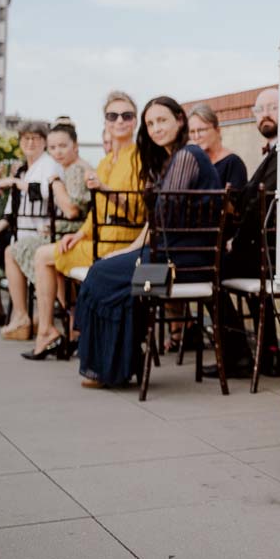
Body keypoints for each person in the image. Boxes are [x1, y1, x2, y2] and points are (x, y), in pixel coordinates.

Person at [70, 96, 221, 388]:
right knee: (104, 267)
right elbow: (157, 221)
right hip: (169, 253)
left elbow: (162, 216)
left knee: (101, 274)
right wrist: (130, 250)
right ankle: (117, 363)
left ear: (180, 120)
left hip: (184, 261)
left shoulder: (188, 155)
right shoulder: (174, 159)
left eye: (162, 120)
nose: (155, 128)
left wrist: (137, 248)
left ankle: (112, 367)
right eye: (150, 123)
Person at [22, 91, 142, 358]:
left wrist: (105, 188)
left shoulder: (139, 158)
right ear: (106, 122)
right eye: (113, 116)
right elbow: (95, 211)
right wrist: (78, 235)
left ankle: (49, 331)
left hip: (119, 241)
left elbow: (139, 210)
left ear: (135, 121)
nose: (119, 121)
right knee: (50, 253)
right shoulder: (106, 160)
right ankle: (69, 328)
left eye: (126, 115)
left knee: (42, 255)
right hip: (98, 237)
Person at [0, 120, 60, 327]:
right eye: (26, 138)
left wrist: (15, 184)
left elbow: (46, 194)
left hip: (36, 233)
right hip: (18, 230)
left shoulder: (49, 165)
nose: (30, 143)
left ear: (44, 142)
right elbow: (10, 212)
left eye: (36, 138)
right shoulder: (22, 170)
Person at [0, 121, 91, 341]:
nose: (57, 152)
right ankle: (37, 318)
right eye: (53, 148)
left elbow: (72, 211)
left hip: (73, 234)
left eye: (63, 146)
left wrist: (56, 187)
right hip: (61, 232)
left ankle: (58, 319)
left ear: (75, 146)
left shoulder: (77, 170)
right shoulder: (66, 170)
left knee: (18, 252)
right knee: (15, 250)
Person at [224, 87, 279, 280]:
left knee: (206, 267)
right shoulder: (274, 151)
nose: (265, 114)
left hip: (271, 253)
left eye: (273, 108)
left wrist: (236, 242)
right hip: (257, 246)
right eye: (259, 110)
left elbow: (261, 204)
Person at [186, 104, 247, 191]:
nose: (196, 136)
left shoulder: (233, 163)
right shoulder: (191, 164)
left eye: (201, 130)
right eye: (192, 132)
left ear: (217, 130)